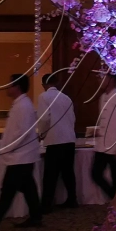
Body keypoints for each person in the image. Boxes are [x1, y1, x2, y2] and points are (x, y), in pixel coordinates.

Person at [0, 74, 43, 230]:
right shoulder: (21, 104)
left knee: (8, 191)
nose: (7, 87)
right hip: (22, 155)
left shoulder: (23, 106)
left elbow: (22, 133)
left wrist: (8, 148)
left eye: (10, 85)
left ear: (17, 87)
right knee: (28, 188)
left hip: (20, 156)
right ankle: (36, 217)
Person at [37, 72, 78, 212]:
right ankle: (72, 199)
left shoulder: (44, 97)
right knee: (68, 172)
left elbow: (44, 119)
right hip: (69, 139)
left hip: (54, 139)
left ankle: (46, 204)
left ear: (44, 84)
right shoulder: (66, 98)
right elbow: (73, 118)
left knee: (50, 175)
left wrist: (42, 134)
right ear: (56, 83)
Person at [91, 74, 116, 199]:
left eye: (103, 78)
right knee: (95, 173)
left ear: (112, 80)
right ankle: (114, 197)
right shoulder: (102, 97)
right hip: (102, 144)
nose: (100, 80)